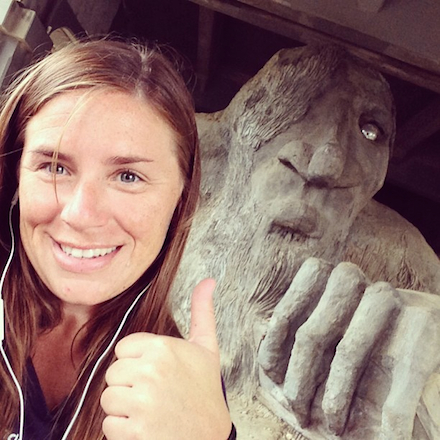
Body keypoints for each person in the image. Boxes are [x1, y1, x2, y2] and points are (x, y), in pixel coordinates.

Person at [171, 45, 440, 439]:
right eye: (296, 104)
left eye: (370, 130)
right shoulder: (178, 170)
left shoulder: (396, 248)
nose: (326, 164)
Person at [0, 39, 234, 439]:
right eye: (54, 166)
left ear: (180, 201)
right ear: (16, 174)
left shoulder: (180, 384)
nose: (79, 214)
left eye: (128, 177)